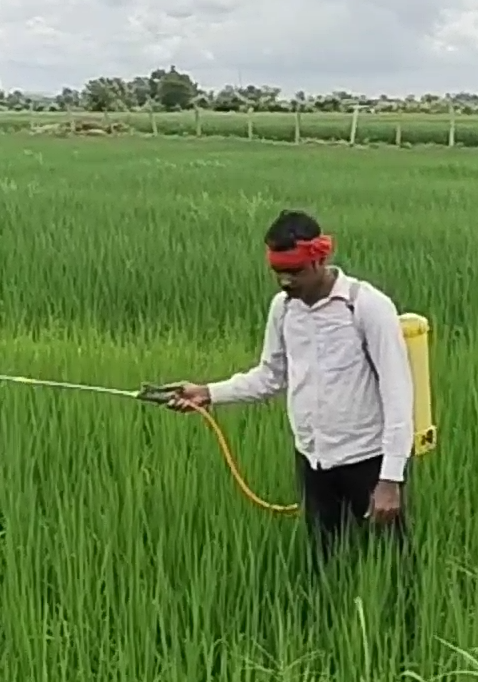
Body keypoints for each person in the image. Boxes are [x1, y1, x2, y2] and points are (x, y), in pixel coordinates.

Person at [164, 209, 416, 566]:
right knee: (325, 561)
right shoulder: (284, 310)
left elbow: (398, 395)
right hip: (313, 460)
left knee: (394, 563)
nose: (285, 282)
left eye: (294, 272)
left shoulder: (366, 307)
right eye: (278, 273)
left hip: (367, 460)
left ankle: (403, 620)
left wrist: (391, 479)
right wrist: (207, 393)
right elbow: (270, 377)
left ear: (319, 260)